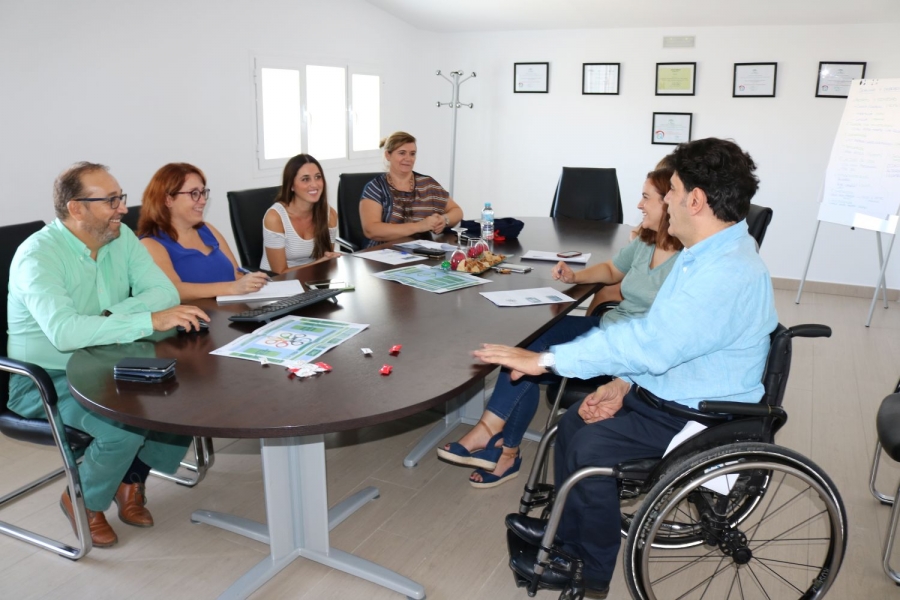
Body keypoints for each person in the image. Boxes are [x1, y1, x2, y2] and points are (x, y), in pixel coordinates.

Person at [474, 138, 776, 597]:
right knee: (575, 423)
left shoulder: (724, 272)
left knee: (593, 449)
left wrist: (546, 360)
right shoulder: (707, 255)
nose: (665, 201)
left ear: (695, 200)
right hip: (670, 386)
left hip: (700, 412)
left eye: (670, 190)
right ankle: (567, 535)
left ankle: (588, 570)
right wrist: (621, 384)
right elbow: (664, 339)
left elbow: (651, 342)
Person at [437, 166, 683, 488]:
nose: (639, 205)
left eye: (646, 197)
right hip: (607, 327)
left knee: (528, 357)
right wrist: (574, 277)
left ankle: (497, 443)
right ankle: (501, 445)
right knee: (525, 342)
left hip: (628, 350)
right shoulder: (647, 242)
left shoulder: (687, 261)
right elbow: (612, 269)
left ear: (668, 203)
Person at [7, 162, 210, 548]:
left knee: (186, 390)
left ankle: (130, 481)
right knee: (123, 427)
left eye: (121, 197)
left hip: (109, 361)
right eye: (111, 200)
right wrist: (141, 318)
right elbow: (66, 333)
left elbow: (164, 294)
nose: (122, 208)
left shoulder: (122, 237)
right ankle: (83, 500)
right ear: (76, 209)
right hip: (46, 380)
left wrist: (107, 318)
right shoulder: (37, 257)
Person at [138, 163, 270, 300]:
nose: (202, 201)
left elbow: (236, 274)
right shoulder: (151, 243)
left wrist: (253, 282)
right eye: (194, 194)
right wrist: (232, 288)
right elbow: (172, 289)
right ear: (168, 200)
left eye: (203, 193)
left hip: (235, 310)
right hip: (199, 318)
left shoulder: (207, 229)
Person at [360, 131, 463, 248]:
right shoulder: (375, 187)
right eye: (402, 153)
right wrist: (419, 226)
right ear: (388, 155)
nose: (408, 158)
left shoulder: (427, 184)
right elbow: (371, 230)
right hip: (382, 253)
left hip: (422, 252)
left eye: (412, 154)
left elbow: (457, 210)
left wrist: (444, 220)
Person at [261, 153, 340, 273]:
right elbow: (279, 272)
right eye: (305, 179)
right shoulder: (275, 218)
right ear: (291, 185)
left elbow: (326, 259)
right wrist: (318, 263)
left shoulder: (330, 215)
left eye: (318, 177)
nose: (314, 184)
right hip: (277, 282)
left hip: (314, 279)